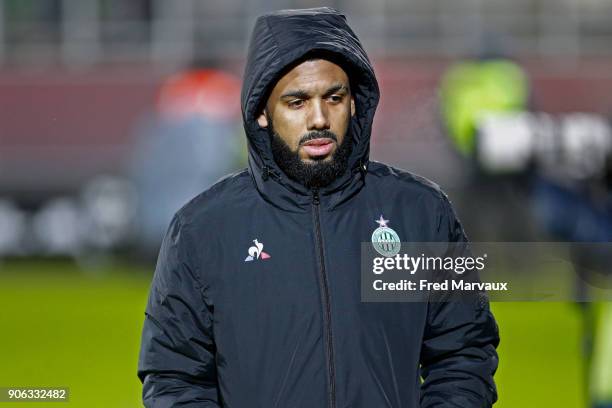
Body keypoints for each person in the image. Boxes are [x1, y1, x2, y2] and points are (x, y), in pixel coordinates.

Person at [138, 7, 499, 408]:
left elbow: (465, 354)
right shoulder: (200, 229)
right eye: (297, 101)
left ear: (355, 103)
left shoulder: (422, 212)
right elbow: (174, 378)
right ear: (261, 112)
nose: (319, 118)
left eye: (334, 97)